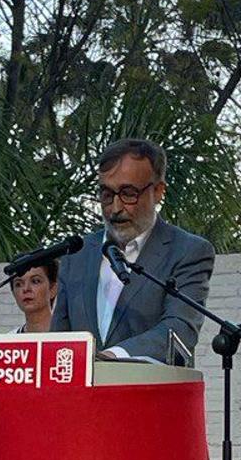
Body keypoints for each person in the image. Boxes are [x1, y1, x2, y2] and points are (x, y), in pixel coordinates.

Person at [52, 138, 215, 361]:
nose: (115, 208)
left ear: (158, 191)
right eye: (107, 194)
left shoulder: (188, 251)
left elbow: (179, 331)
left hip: (152, 392)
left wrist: (111, 358)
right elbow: (59, 339)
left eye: (128, 193)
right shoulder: (77, 254)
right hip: (83, 395)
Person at [10, 261, 59, 333]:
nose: (26, 289)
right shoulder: (8, 340)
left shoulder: (73, 337)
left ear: (52, 289)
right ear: (13, 293)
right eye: (18, 284)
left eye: (35, 281)